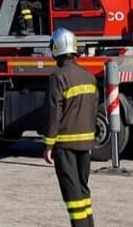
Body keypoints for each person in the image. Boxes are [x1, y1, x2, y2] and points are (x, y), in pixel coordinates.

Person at [42, 28, 97, 226]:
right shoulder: (89, 77)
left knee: (72, 193)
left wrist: (48, 144)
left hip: (65, 144)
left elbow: (53, 112)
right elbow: (93, 110)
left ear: (56, 49)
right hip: (86, 143)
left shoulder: (58, 77)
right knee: (83, 188)